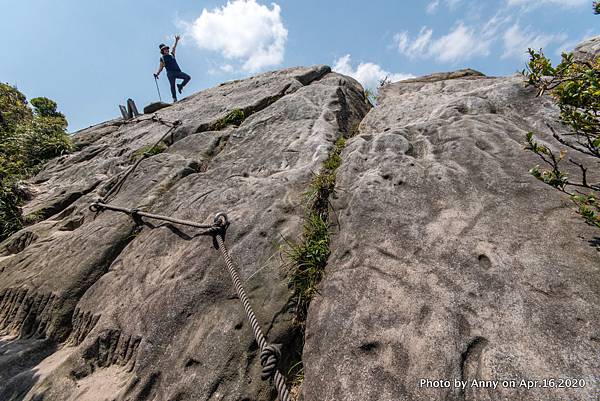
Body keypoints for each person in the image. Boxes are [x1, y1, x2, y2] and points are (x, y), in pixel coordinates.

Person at [154, 35, 191, 102]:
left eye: (167, 49)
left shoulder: (172, 55)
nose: (166, 50)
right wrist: (157, 74)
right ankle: (174, 99)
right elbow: (161, 67)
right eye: (165, 49)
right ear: (162, 51)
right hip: (170, 73)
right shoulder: (162, 58)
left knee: (188, 77)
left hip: (177, 71)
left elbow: (174, 48)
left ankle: (180, 86)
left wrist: (176, 41)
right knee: (172, 86)